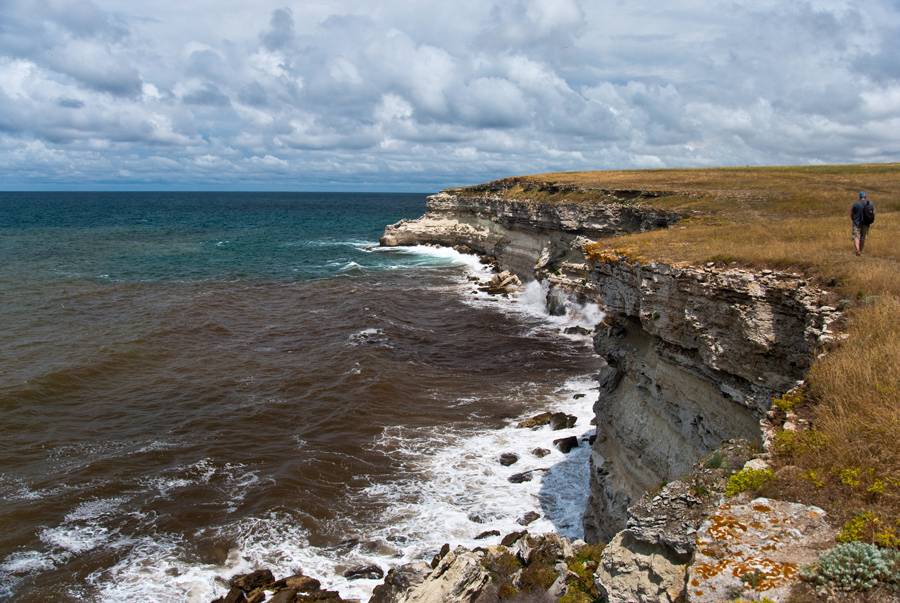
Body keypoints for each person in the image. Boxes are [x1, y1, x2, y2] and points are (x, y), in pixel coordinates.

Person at [851, 191, 871, 256]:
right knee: (863, 237)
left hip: (857, 223)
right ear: (865, 197)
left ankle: (857, 250)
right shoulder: (870, 203)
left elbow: (852, 213)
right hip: (866, 223)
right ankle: (861, 250)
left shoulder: (856, 204)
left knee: (856, 236)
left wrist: (853, 219)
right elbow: (873, 212)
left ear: (859, 197)